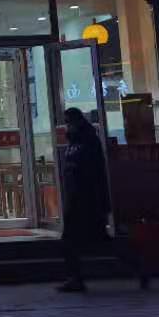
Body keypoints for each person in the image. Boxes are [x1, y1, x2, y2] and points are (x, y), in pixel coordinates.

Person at [58, 107, 110, 293]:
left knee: (91, 241)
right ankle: (75, 278)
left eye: (68, 122)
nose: (67, 126)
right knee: (75, 241)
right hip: (76, 198)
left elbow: (94, 173)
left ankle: (75, 278)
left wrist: (99, 201)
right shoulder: (74, 142)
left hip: (87, 199)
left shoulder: (88, 141)